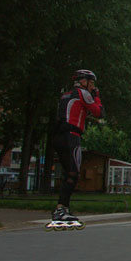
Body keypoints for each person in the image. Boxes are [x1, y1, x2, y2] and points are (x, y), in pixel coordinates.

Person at [51, 69, 104, 226]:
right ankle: (61, 209)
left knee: (68, 173)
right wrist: (97, 97)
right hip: (72, 135)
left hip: (58, 136)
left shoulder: (65, 95)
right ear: (83, 82)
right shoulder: (82, 93)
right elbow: (99, 112)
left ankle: (61, 208)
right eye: (91, 83)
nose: (93, 87)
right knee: (73, 173)